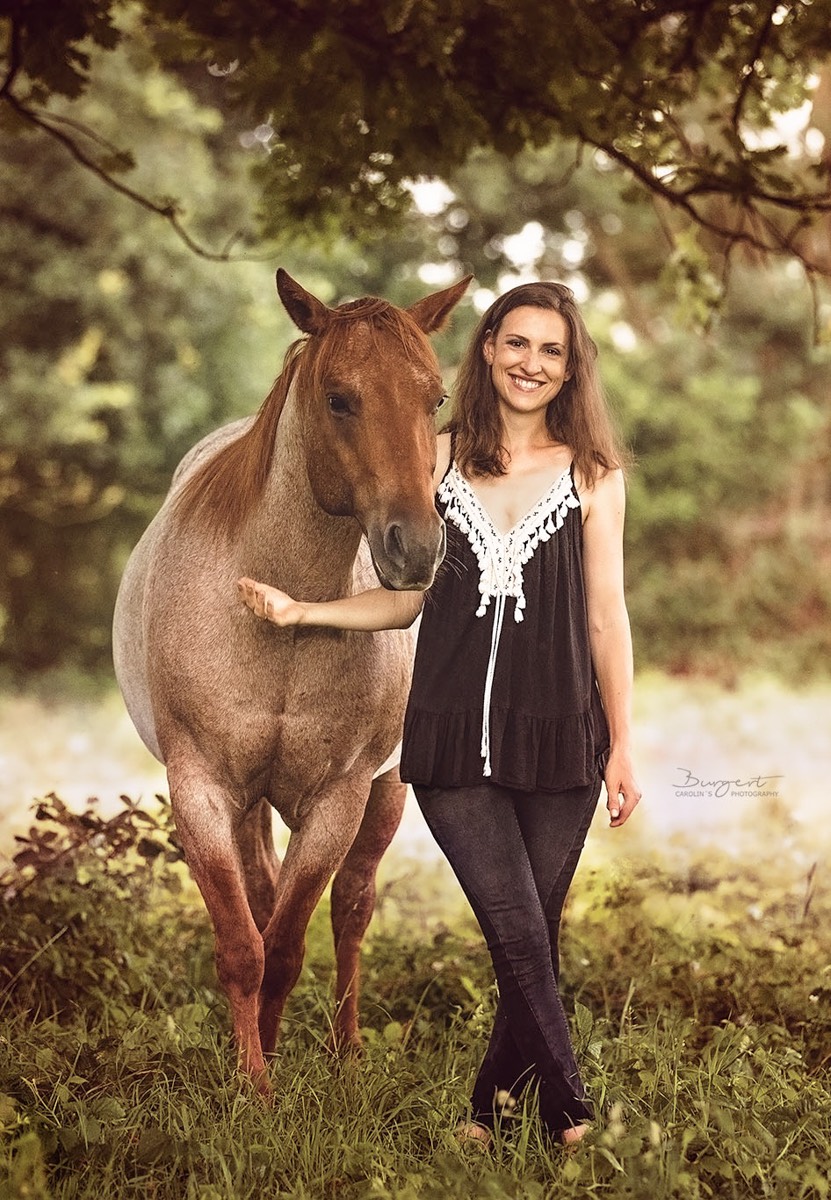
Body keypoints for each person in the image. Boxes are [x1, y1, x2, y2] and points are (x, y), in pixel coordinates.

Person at [238, 281, 641, 1149]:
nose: (530, 364)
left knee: (530, 933)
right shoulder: (440, 459)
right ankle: (570, 1115)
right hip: (452, 739)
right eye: (516, 343)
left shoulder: (592, 473)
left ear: (570, 369)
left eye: (551, 350)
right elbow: (402, 602)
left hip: (565, 734)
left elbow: (607, 617)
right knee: (515, 930)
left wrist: (622, 744)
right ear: (485, 350)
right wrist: (303, 611)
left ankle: (482, 1115)